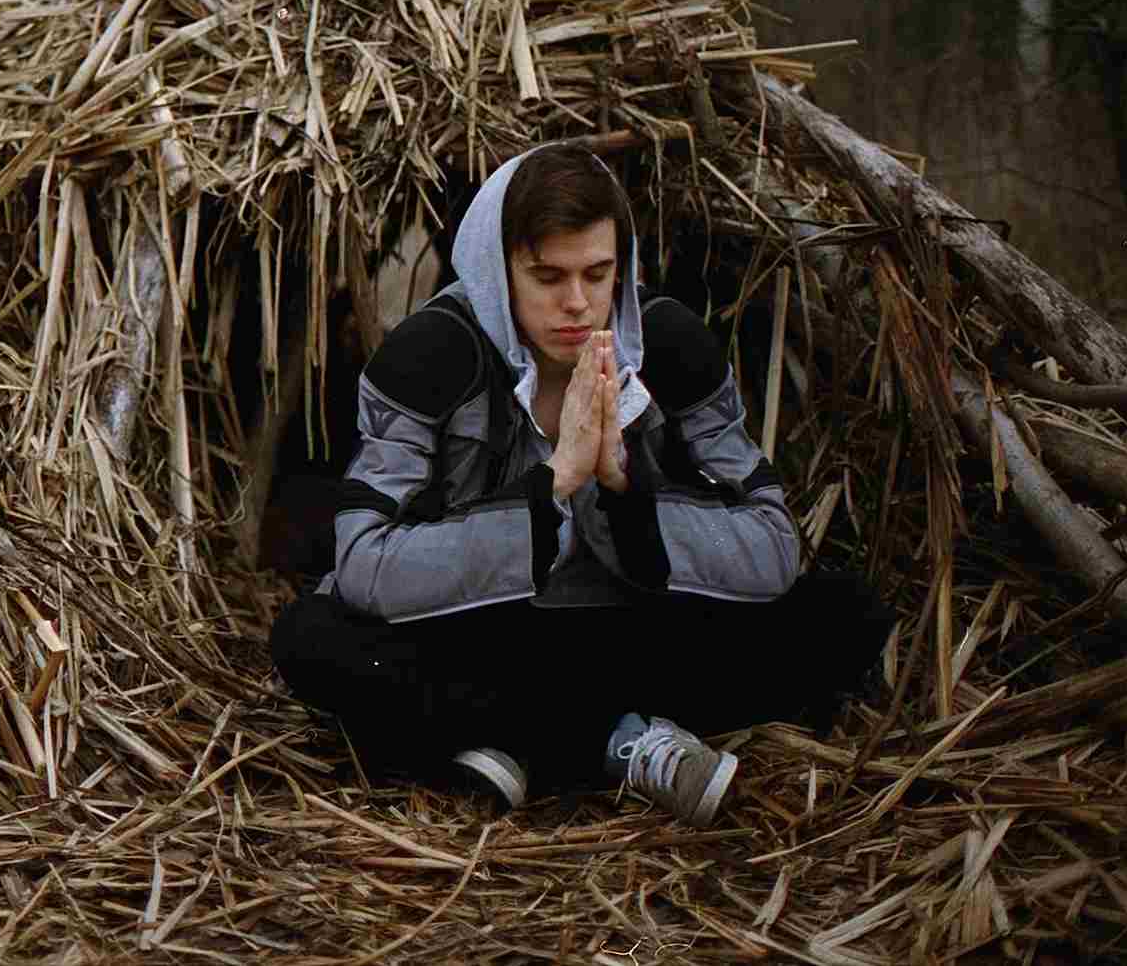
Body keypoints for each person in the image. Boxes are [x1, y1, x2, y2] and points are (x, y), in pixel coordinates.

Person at [269, 144, 895, 824]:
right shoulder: (429, 355)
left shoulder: (668, 345)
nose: (576, 303)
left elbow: (774, 545)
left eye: (598, 274)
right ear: (497, 270)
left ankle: (510, 743)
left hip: (628, 629)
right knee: (310, 637)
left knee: (843, 610)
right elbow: (362, 561)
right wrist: (550, 488)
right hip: (482, 635)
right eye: (547, 276)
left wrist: (626, 493)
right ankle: (619, 740)